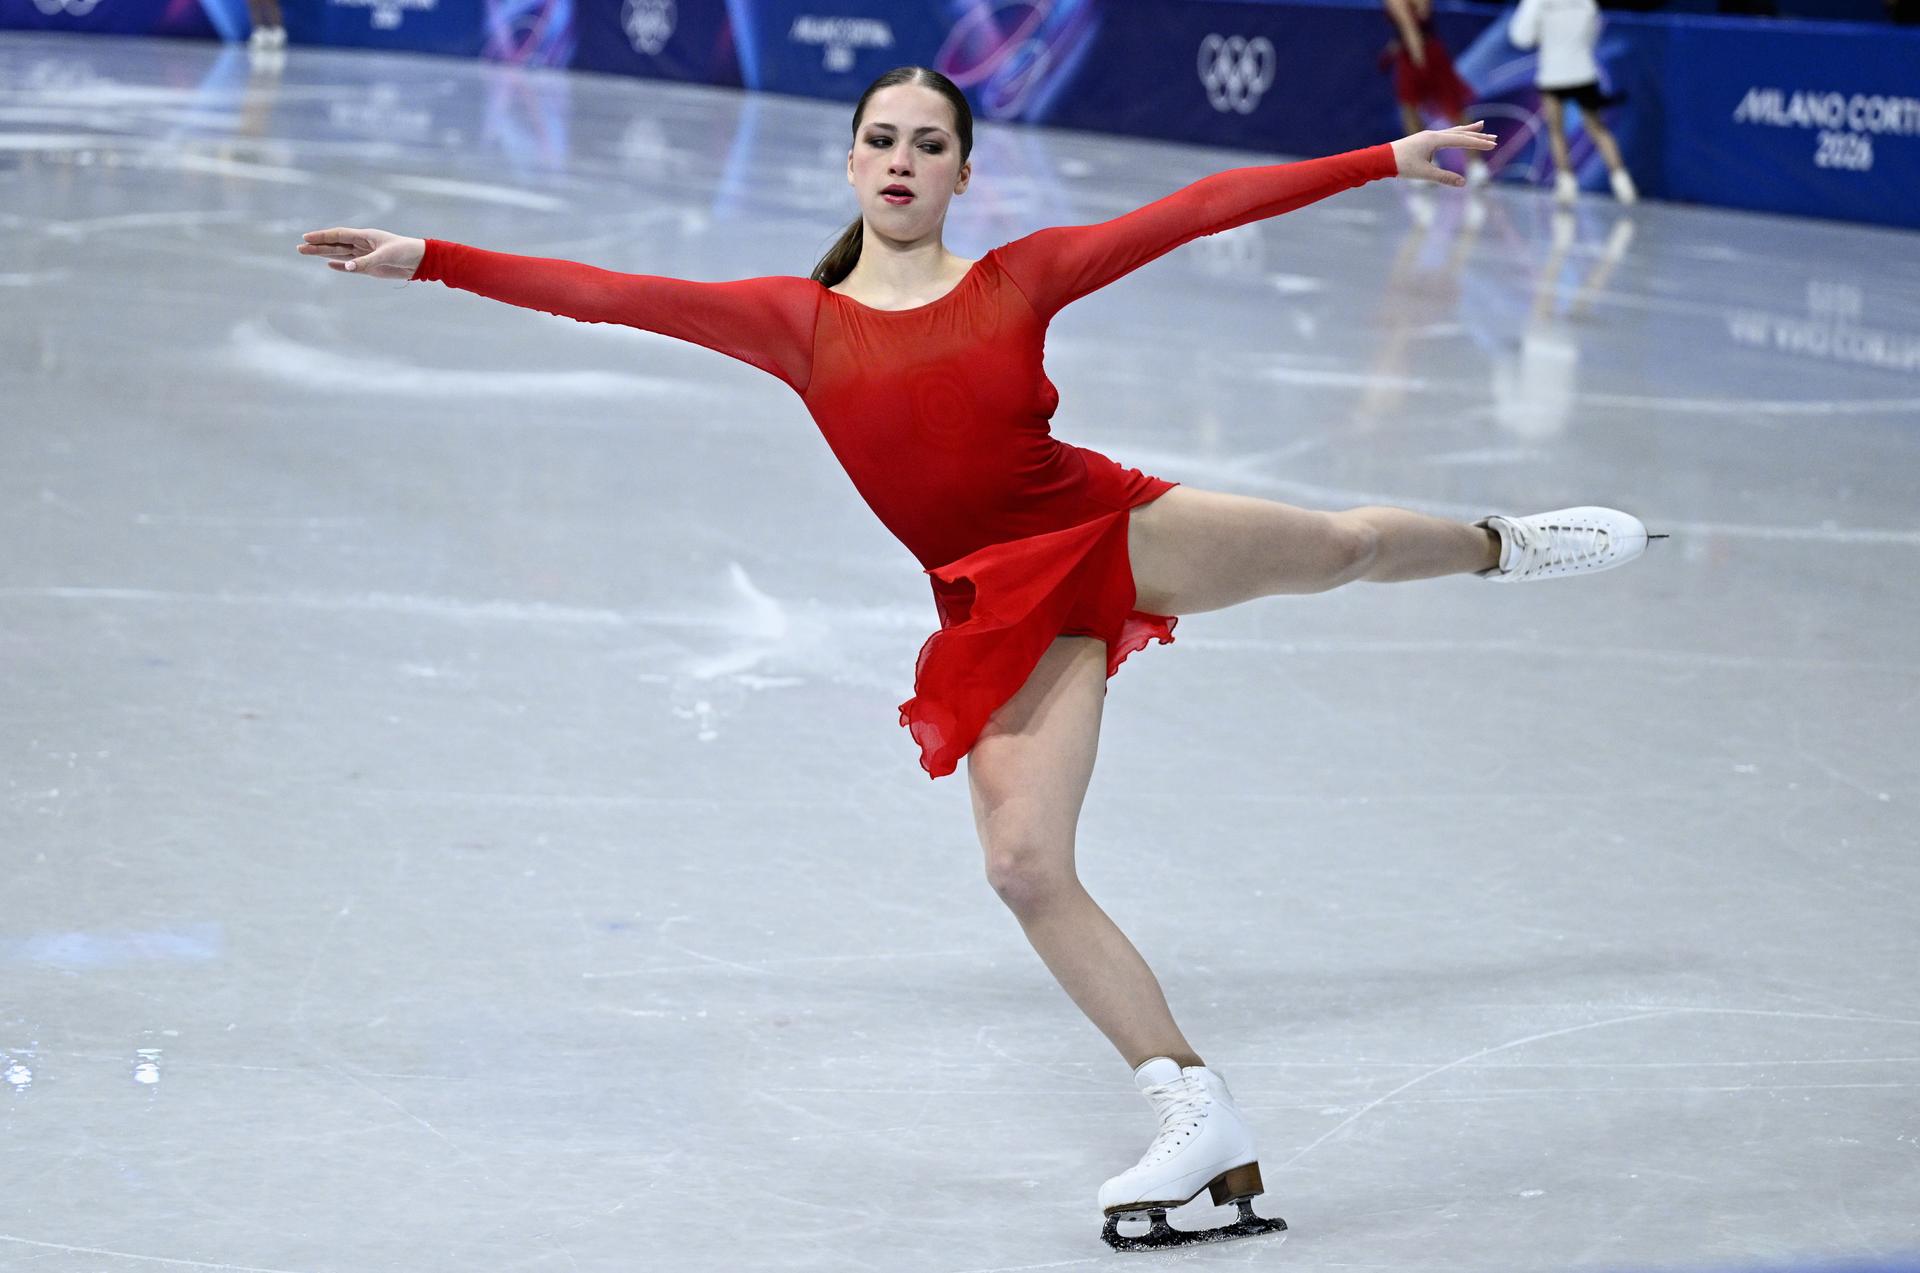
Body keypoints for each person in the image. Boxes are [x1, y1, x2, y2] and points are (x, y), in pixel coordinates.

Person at [299, 66, 1655, 1250]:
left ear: (961, 170)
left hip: (1111, 530)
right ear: (850, 161)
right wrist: (427, 254)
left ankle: (1502, 543)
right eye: (880, 139)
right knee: (1023, 866)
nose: (900, 161)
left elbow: (1193, 212)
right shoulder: (795, 323)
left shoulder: (1017, 279)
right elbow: (606, 293)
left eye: (927, 143)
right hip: (992, 609)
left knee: (1344, 549)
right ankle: (1191, 1102)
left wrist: (1388, 159)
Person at [1509, 0, 1639, 205]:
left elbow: (1521, 36)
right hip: (1582, 71)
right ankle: (1621, 181)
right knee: (1597, 128)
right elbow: (1593, 31)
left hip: (1553, 73)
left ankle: (1566, 183)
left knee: (1556, 130)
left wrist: (1544, 36)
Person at [1382, 0, 1489, 186]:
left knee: (1414, 109)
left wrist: (1419, 60)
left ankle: (1424, 164)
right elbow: (1418, 19)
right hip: (1431, 50)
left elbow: (1409, 27)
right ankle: (1476, 165)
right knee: (1453, 108)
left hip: (1415, 56)